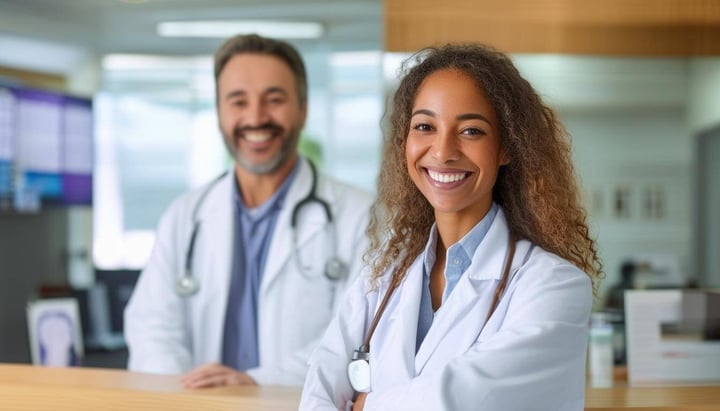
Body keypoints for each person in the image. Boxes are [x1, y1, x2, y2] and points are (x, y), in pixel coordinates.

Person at [300, 43, 603, 410]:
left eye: (471, 131)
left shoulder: (553, 285)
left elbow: (463, 399)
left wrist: (366, 405)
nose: (443, 151)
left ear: (506, 148)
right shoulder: (382, 276)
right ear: (405, 143)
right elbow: (320, 385)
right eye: (425, 126)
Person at [124, 34, 373, 388]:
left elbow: (358, 337)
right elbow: (152, 325)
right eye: (238, 101)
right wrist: (183, 391)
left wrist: (254, 384)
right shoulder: (185, 215)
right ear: (219, 113)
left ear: (303, 109)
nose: (255, 118)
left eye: (274, 100)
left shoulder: (360, 216)